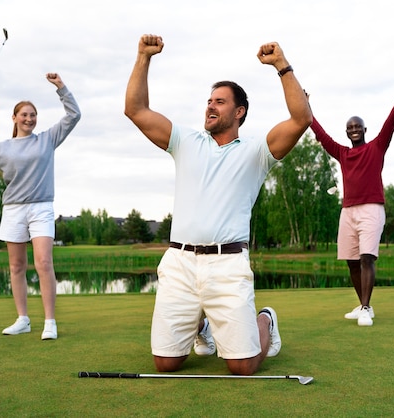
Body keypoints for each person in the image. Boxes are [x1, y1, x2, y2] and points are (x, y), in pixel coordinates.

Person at [124, 34, 311, 376]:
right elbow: (135, 110)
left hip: (228, 266)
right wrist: (143, 57)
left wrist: (282, 66)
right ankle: (203, 326)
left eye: (220, 102)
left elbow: (301, 119)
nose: (210, 106)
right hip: (179, 263)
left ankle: (265, 320)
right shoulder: (186, 141)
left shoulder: (256, 152)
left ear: (239, 112)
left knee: (242, 366)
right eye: (209, 101)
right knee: (165, 364)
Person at [0, 73, 81, 340]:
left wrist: (61, 88)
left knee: (44, 262)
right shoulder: (3, 149)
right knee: (16, 267)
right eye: (24, 114)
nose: (29, 119)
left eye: (33, 114)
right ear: (14, 118)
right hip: (13, 210)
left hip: (41, 208)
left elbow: (74, 116)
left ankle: (50, 322)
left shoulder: (47, 139)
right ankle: (22, 319)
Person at [309, 73, 394, 326]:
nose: (354, 130)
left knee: (367, 258)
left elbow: (392, 121)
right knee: (351, 261)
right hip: (348, 212)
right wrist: (306, 107)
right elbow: (321, 136)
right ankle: (363, 305)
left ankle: (366, 308)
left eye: (358, 126)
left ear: (365, 130)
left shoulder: (377, 146)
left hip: (371, 209)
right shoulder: (343, 153)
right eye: (350, 127)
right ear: (347, 132)